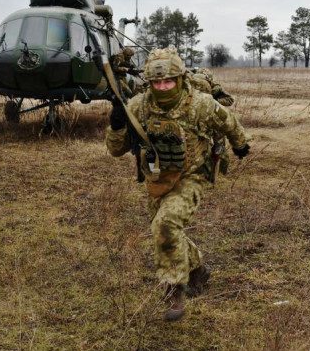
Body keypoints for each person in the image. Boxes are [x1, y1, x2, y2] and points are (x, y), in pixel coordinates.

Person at [105, 46, 250, 321]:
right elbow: (115, 149)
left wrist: (241, 144)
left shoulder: (200, 104)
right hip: (157, 180)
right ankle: (198, 270)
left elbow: (229, 121)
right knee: (166, 231)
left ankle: (173, 290)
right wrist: (116, 125)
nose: (163, 87)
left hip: (191, 177)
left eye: (169, 81)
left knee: (166, 224)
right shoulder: (139, 105)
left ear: (181, 79)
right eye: (157, 82)